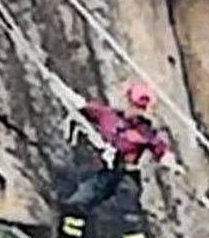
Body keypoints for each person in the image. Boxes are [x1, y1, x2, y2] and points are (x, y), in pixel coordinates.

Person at [62, 81, 178, 215]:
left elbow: (160, 149)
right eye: (134, 104)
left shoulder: (145, 131)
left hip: (124, 175)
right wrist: (69, 97)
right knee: (78, 202)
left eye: (141, 107)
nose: (137, 110)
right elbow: (83, 107)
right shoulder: (107, 115)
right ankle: (71, 226)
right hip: (102, 170)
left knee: (126, 207)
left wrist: (169, 160)